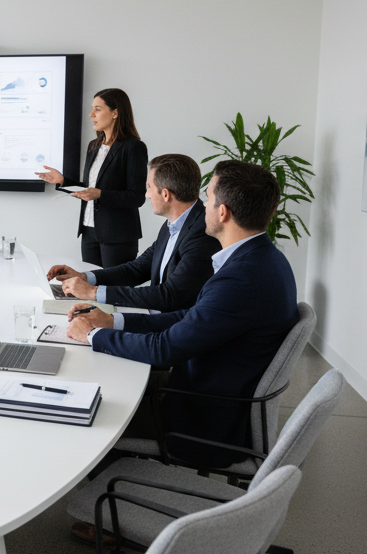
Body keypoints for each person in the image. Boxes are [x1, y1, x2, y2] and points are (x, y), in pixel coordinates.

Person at [66, 160, 298, 467]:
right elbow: (190, 316)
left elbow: (165, 349)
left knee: (85, 415)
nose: (203, 204)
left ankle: (112, 506)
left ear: (223, 212)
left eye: (210, 197)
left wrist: (93, 335)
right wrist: (113, 321)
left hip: (200, 423)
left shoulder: (241, 278)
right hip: (211, 399)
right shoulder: (263, 258)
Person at [47, 154, 220, 312]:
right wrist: (84, 277)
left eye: (149, 188)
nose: (146, 195)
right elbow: (136, 270)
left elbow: (170, 296)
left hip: (170, 329)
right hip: (154, 317)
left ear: (165, 194)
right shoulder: (174, 224)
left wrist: (93, 292)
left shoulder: (203, 232)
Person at [36, 88, 147, 267]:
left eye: (97, 109)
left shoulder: (133, 148)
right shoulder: (94, 146)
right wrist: (63, 181)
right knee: (89, 286)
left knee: (113, 290)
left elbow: (137, 196)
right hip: (89, 231)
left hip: (117, 235)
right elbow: (89, 188)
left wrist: (100, 194)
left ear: (115, 113)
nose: (91, 114)